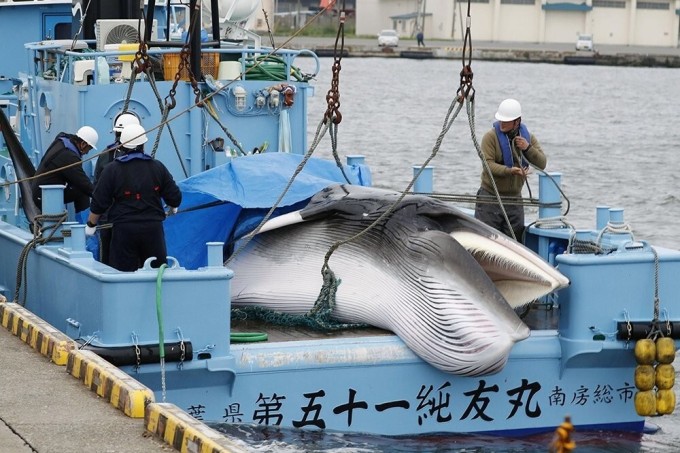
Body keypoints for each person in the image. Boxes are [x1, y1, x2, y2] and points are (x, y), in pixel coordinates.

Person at [86, 124, 182, 272]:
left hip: (124, 231)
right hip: (153, 231)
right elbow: (174, 197)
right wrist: (173, 206)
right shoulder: (157, 167)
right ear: (143, 144)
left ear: (122, 146)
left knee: (123, 275)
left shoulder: (112, 170)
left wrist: (91, 225)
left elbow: (99, 203)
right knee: (157, 273)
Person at [474, 98, 547, 241]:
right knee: (486, 242)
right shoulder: (490, 138)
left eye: (506, 121)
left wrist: (527, 148)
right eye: (500, 120)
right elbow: (488, 165)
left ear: (517, 121)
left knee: (514, 242)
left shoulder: (528, 138)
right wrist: (510, 171)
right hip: (490, 198)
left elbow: (542, 163)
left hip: (514, 201)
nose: (502, 123)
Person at [92, 112, 141, 265]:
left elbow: (98, 187)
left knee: (107, 257)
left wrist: (92, 221)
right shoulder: (141, 160)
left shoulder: (106, 154)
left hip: (108, 216)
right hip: (131, 218)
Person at [31, 126, 99, 213]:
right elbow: (84, 184)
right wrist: (102, 196)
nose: (87, 152)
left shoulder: (63, 141)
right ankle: (85, 224)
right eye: (89, 149)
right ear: (83, 144)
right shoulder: (69, 157)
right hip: (44, 196)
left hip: (39, 190)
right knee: (82, 190)